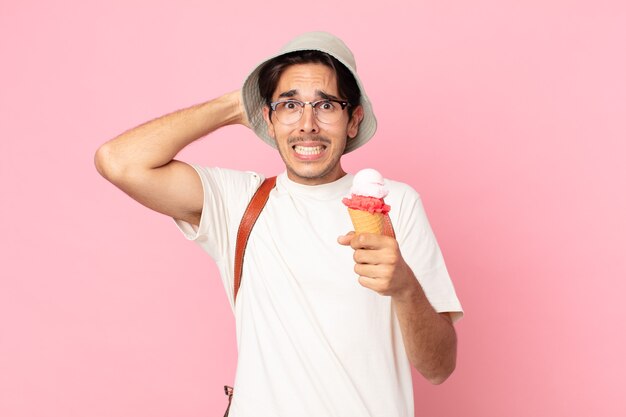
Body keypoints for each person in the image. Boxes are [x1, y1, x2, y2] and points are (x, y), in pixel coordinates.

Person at [95, 31, 463, 417]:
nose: (307, 124)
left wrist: (404, 287)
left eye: (325, 105)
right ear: (268, 121)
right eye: (289, 105)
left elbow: (439, 368)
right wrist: (235, 104)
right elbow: (118, 161)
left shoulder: (396, 204)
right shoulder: (239, 203)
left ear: (353, 120)